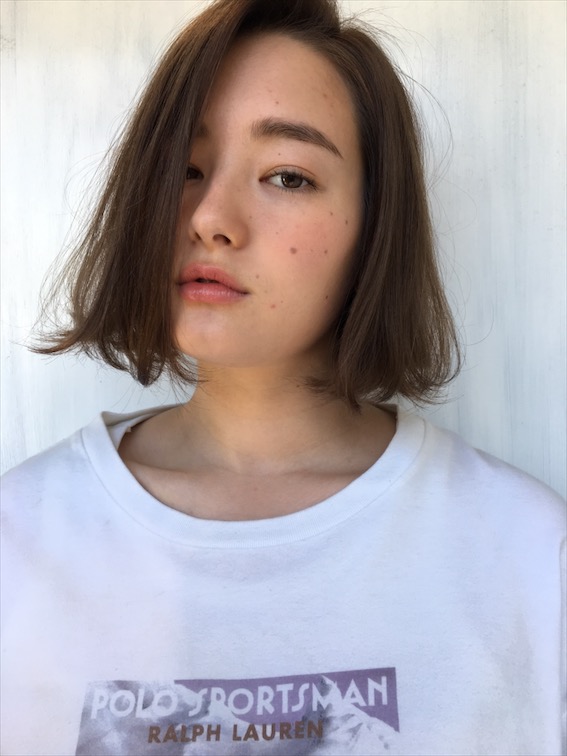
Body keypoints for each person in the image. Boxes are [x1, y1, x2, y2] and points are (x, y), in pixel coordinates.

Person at [1, 0, 564, 754]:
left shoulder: (526, 555)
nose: (209, 216)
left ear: (375, 224)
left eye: (287, 176)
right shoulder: (20, 539)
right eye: (186, 169)